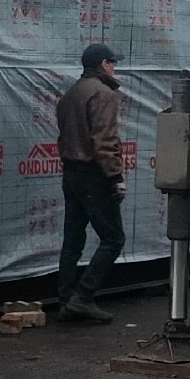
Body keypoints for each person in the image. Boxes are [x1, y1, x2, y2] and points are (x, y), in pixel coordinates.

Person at [55, 43, 128, 322]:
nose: (114, 67)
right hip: (94, 175)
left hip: (71, 173)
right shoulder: (104, 94)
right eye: (112, 62)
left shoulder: (70, 95)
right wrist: (115, 177)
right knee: (113, 238)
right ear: (102, 64)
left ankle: (65, 299)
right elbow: (104, 141)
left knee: (73, 239)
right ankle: (83, 297)